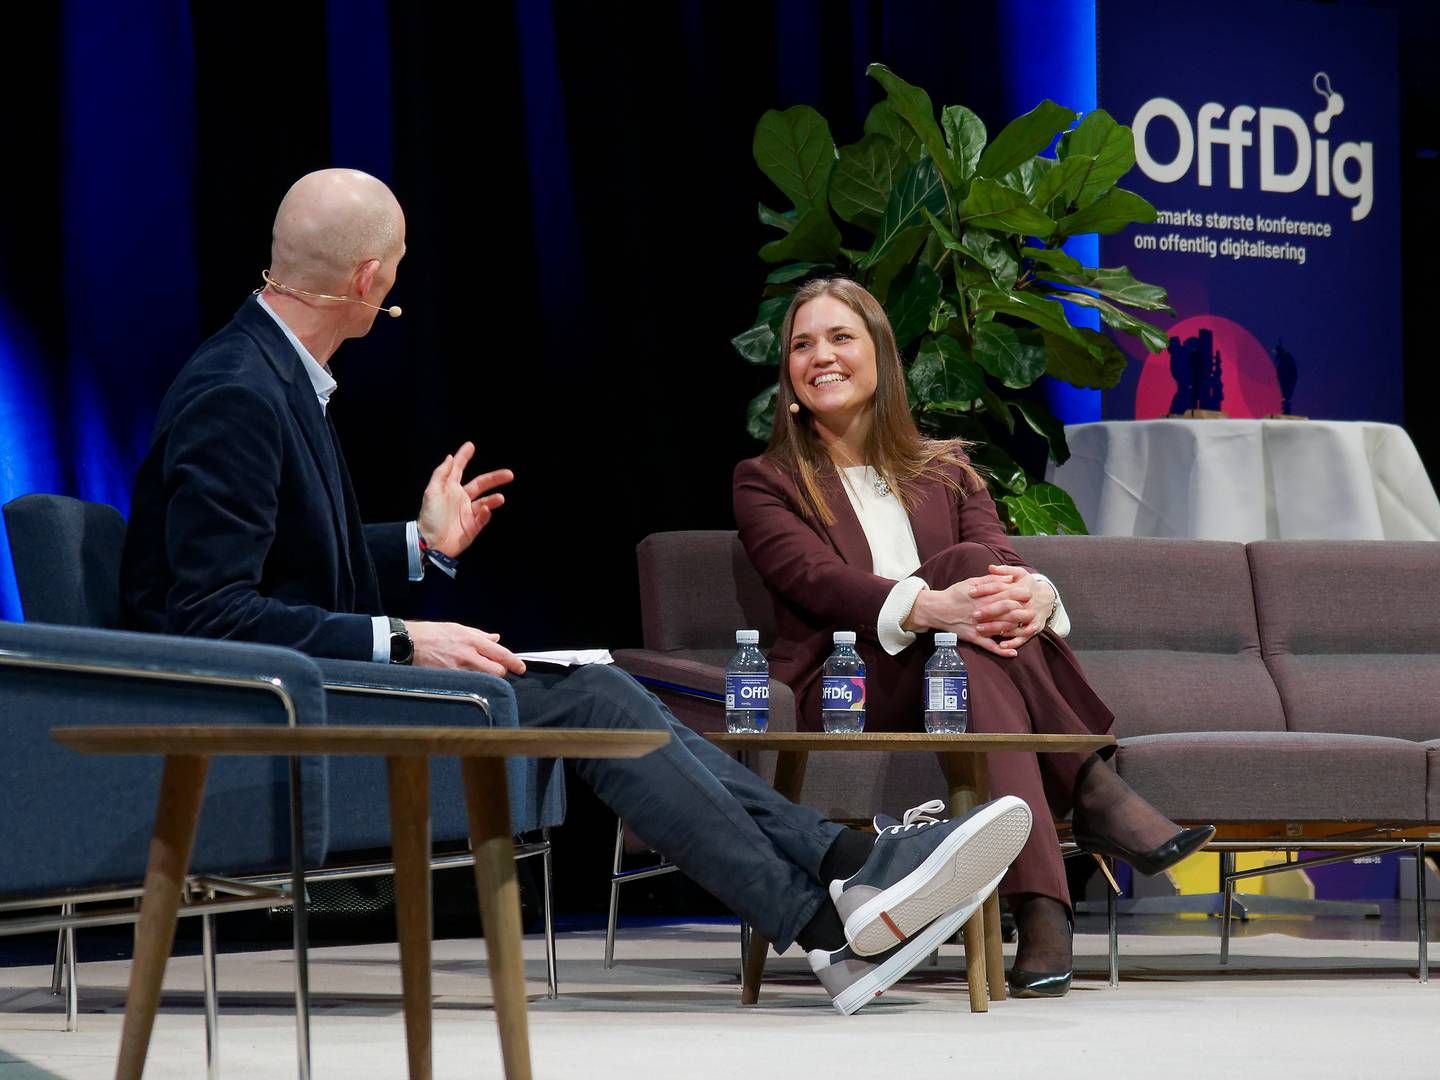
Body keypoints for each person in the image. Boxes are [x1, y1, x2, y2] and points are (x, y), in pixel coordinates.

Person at [118, 170, 1033, 1015]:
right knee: (593, 699)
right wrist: (405, 641)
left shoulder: (273, 374)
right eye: (396, 271)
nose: (399, 287)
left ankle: (848, 874)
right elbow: (209, 613)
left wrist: (418, 546)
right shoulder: (239, 390)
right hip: (283, 713)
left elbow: (285, 562)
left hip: (319, 683)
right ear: (367, 280)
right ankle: (834, 926)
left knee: (599, 686)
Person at [732, 276, 1214, 997]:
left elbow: (1003, 561)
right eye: (802, 344)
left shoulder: (947, 469)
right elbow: (814, 580)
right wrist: (934, 609)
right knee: (963, 583)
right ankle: (1091, 791)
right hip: (849, 685)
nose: (820, 356)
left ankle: (1041, 906)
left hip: (960, 677)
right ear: (789, 373)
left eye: (840, 338)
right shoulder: (767, 479)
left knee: (975, 650)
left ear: (881, 356)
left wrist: (1037, 594)